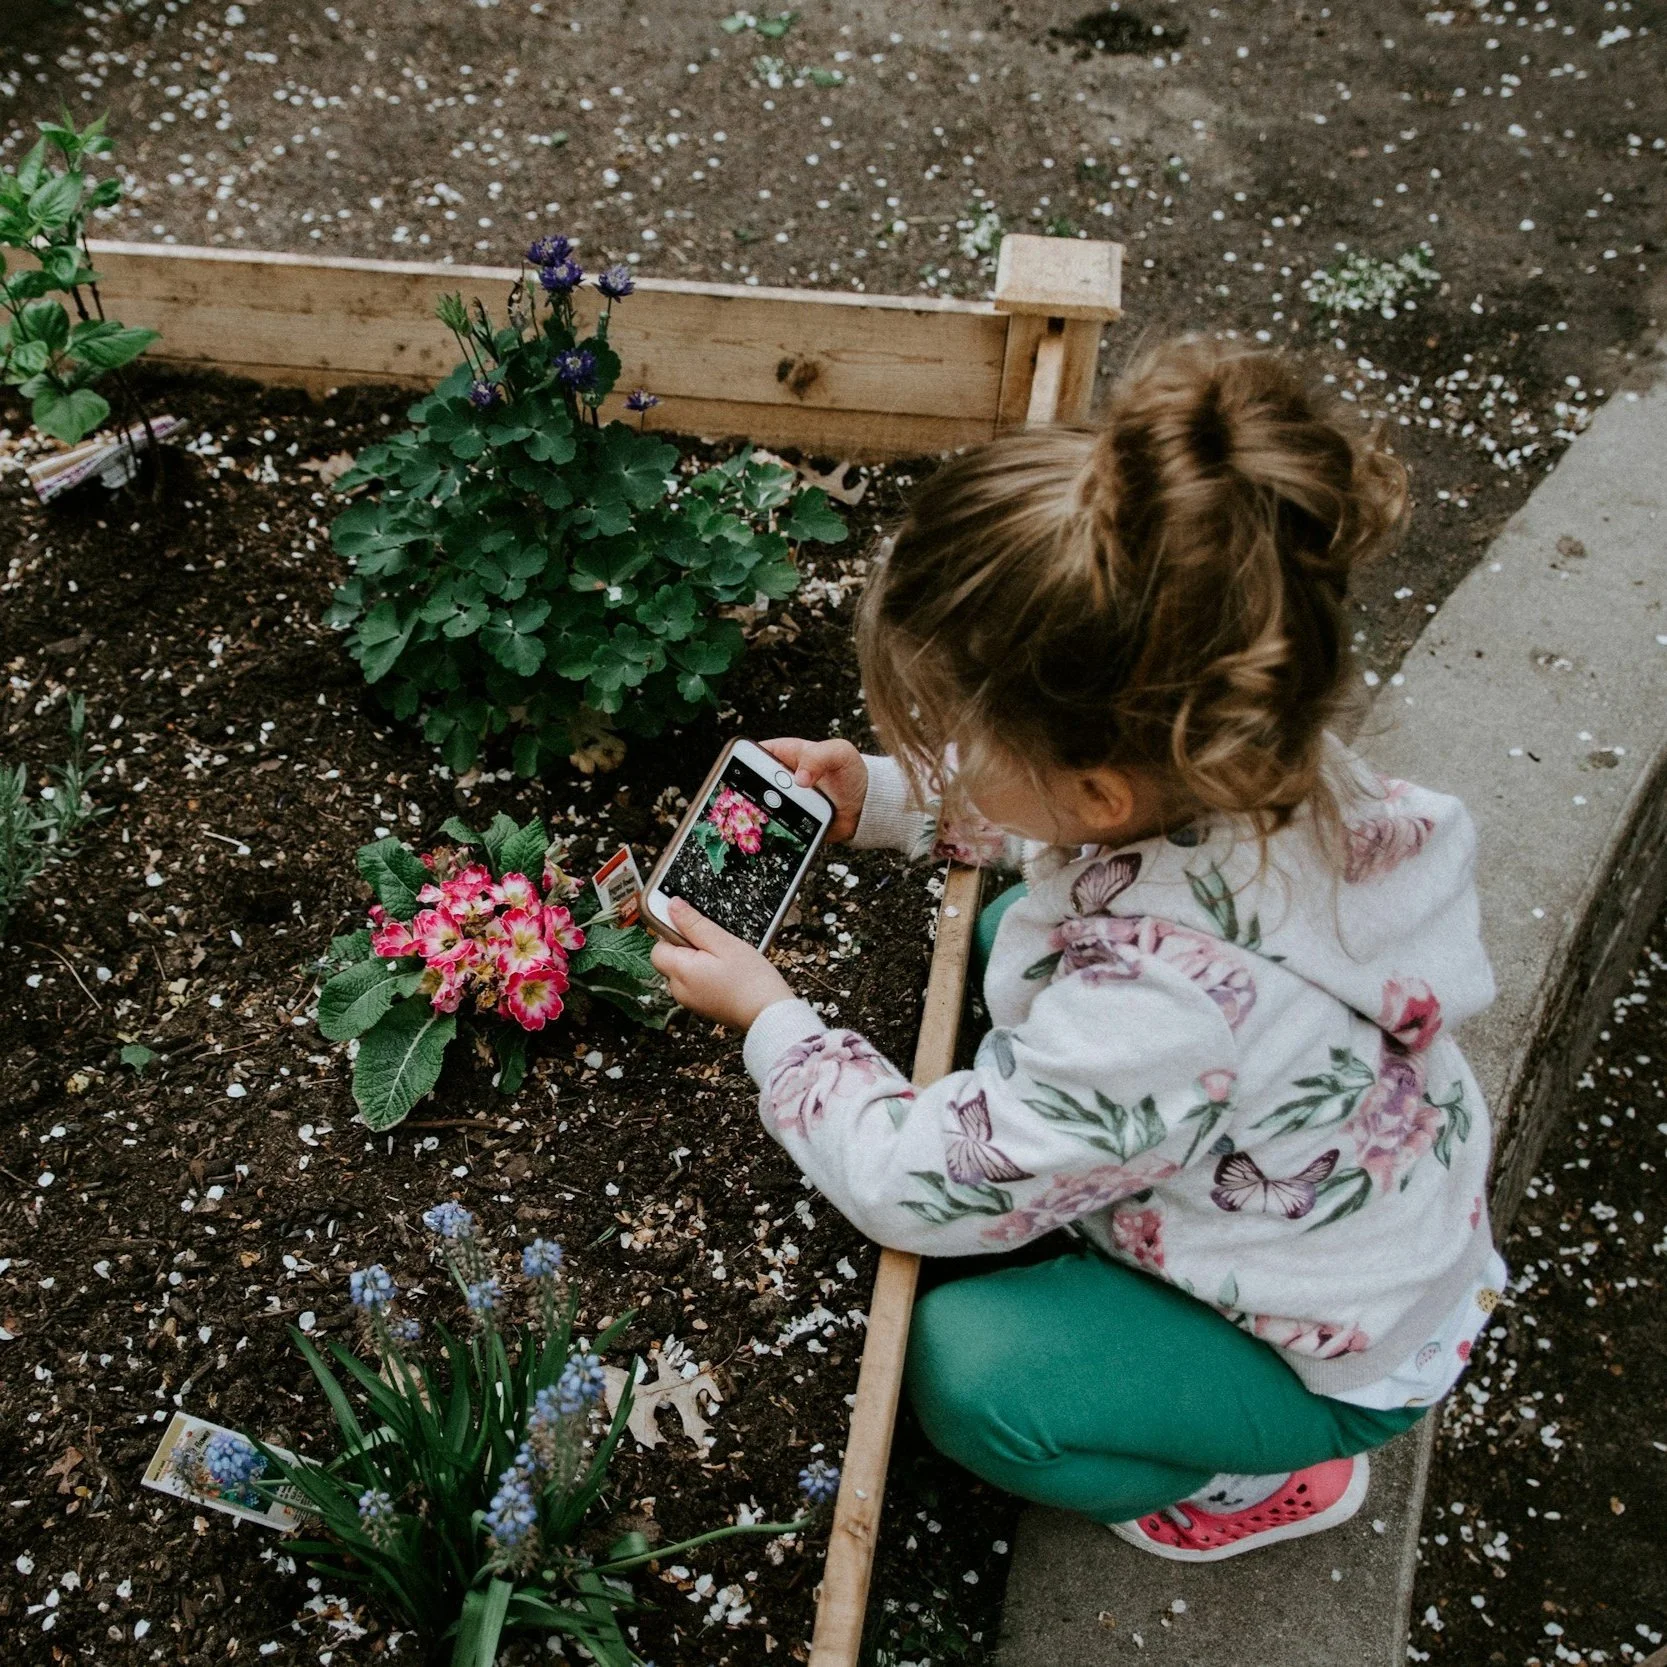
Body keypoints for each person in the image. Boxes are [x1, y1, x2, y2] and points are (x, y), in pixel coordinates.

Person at [650, 337, 1505, 1561]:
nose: (939, 741)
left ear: (1100, 786)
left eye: (954, 729)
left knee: (967, 1371)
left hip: (1319, 1345)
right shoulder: (1263, 759)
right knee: (1012, 930)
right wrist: (885, 798)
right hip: (1346, 1203)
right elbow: (1073, 832)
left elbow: (914, 1183)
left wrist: (774, 1019)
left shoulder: (1154, 1012)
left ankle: (1245, 1477)